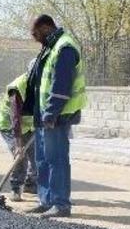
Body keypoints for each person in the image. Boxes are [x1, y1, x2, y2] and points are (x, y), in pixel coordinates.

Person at [24, 15, 87, 218]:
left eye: (35, 34)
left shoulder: (64, 47)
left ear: (46, 28)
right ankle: (46, 201)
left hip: (58, 115)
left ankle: (61, 204)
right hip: (44, 114)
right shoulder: (50, 47)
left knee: (56, 159)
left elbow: (61, 85)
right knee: (42, 159)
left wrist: (51, 113)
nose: (34, 38)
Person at [0, 70, 37, 201]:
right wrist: (19, 145)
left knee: (37, 155)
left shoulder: (41, 83)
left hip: (29, 125)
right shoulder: (17, 88)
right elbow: (15, 118)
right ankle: (15, 188)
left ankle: (30, 184)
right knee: (20, 156)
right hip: (10, 125)